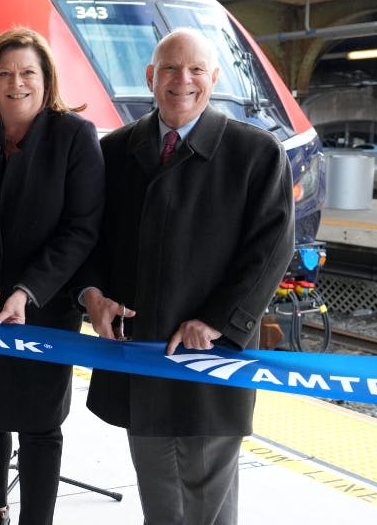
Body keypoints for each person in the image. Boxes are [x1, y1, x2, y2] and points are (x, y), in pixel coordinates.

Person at [81, 28, 294, 525]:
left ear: (215, 78)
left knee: (204, 501)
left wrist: (217, 320)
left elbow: (273, 247)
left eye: (197, 69)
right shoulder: (115, 151)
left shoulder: (255, 153)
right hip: (141, 358)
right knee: (158, 494)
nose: (184, 80)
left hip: (209, 360)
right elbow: (88, 237)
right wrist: (91, 294)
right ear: (150, 77)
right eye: (171, 69)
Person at [0, 28, 104, 525]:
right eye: (5, 73)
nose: (16, 83)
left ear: (46, 78)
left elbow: (81, 228)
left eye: (28, 72)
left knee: (39, 422)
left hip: (45, 308)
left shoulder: (75, 136)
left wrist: (29, 291)